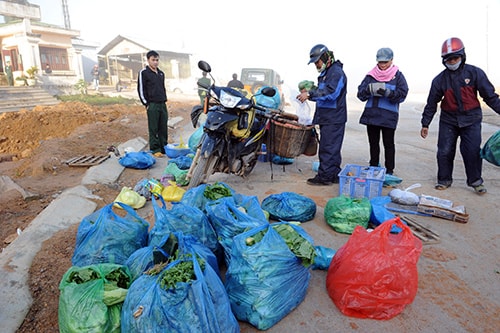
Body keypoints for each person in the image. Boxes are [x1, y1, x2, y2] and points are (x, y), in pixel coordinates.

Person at [420, 37, 500, 195]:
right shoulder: (439, 80)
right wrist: (425, 123)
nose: (452, 62)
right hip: (448, 120)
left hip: (472, 119)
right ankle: (444, 180)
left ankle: (476, 181)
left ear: (462, 56)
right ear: (444, 61)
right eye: (448, 59)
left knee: (471, 151)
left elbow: (490, 96)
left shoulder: (475, 73)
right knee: (444, 150)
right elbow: (431, 103)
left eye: (455, 58)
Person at [297, 44, 348, 185]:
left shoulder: (335, 72)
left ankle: (325, 177)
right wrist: (310, 91)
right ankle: (333, 174)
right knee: (332, 148)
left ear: (325, 57)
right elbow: (322, 93)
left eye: (317, 62)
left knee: (328, 148)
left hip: (334, 117)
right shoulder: (326, 73)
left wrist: (310, 94)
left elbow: (331, 93)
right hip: (327, 117)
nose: (316, 65)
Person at [357, 47, 409, 175]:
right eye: (380, 62)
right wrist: (367, 90)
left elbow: (402, 94)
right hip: (372, 116)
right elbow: (360, 94)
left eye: (385, 62)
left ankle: (389, 170)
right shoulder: (370, 76)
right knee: (373, 144)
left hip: (388, 117)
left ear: (391, 60)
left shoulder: (398, 76)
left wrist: (389, 93)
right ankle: (373, 167)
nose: (383, 65)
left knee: (388, 144)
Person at [137, 50, 168, 157]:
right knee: (153, 128)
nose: (155, 62)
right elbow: (141, 89)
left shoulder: (161, 73)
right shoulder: (144, 73)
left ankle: (164, 147)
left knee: (163, 127)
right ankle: (155, 149)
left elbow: (162, 88)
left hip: (162, 104)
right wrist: (146, 104)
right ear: (148, 60)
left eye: (157, 60)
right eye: (153, 60)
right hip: (152, 104)